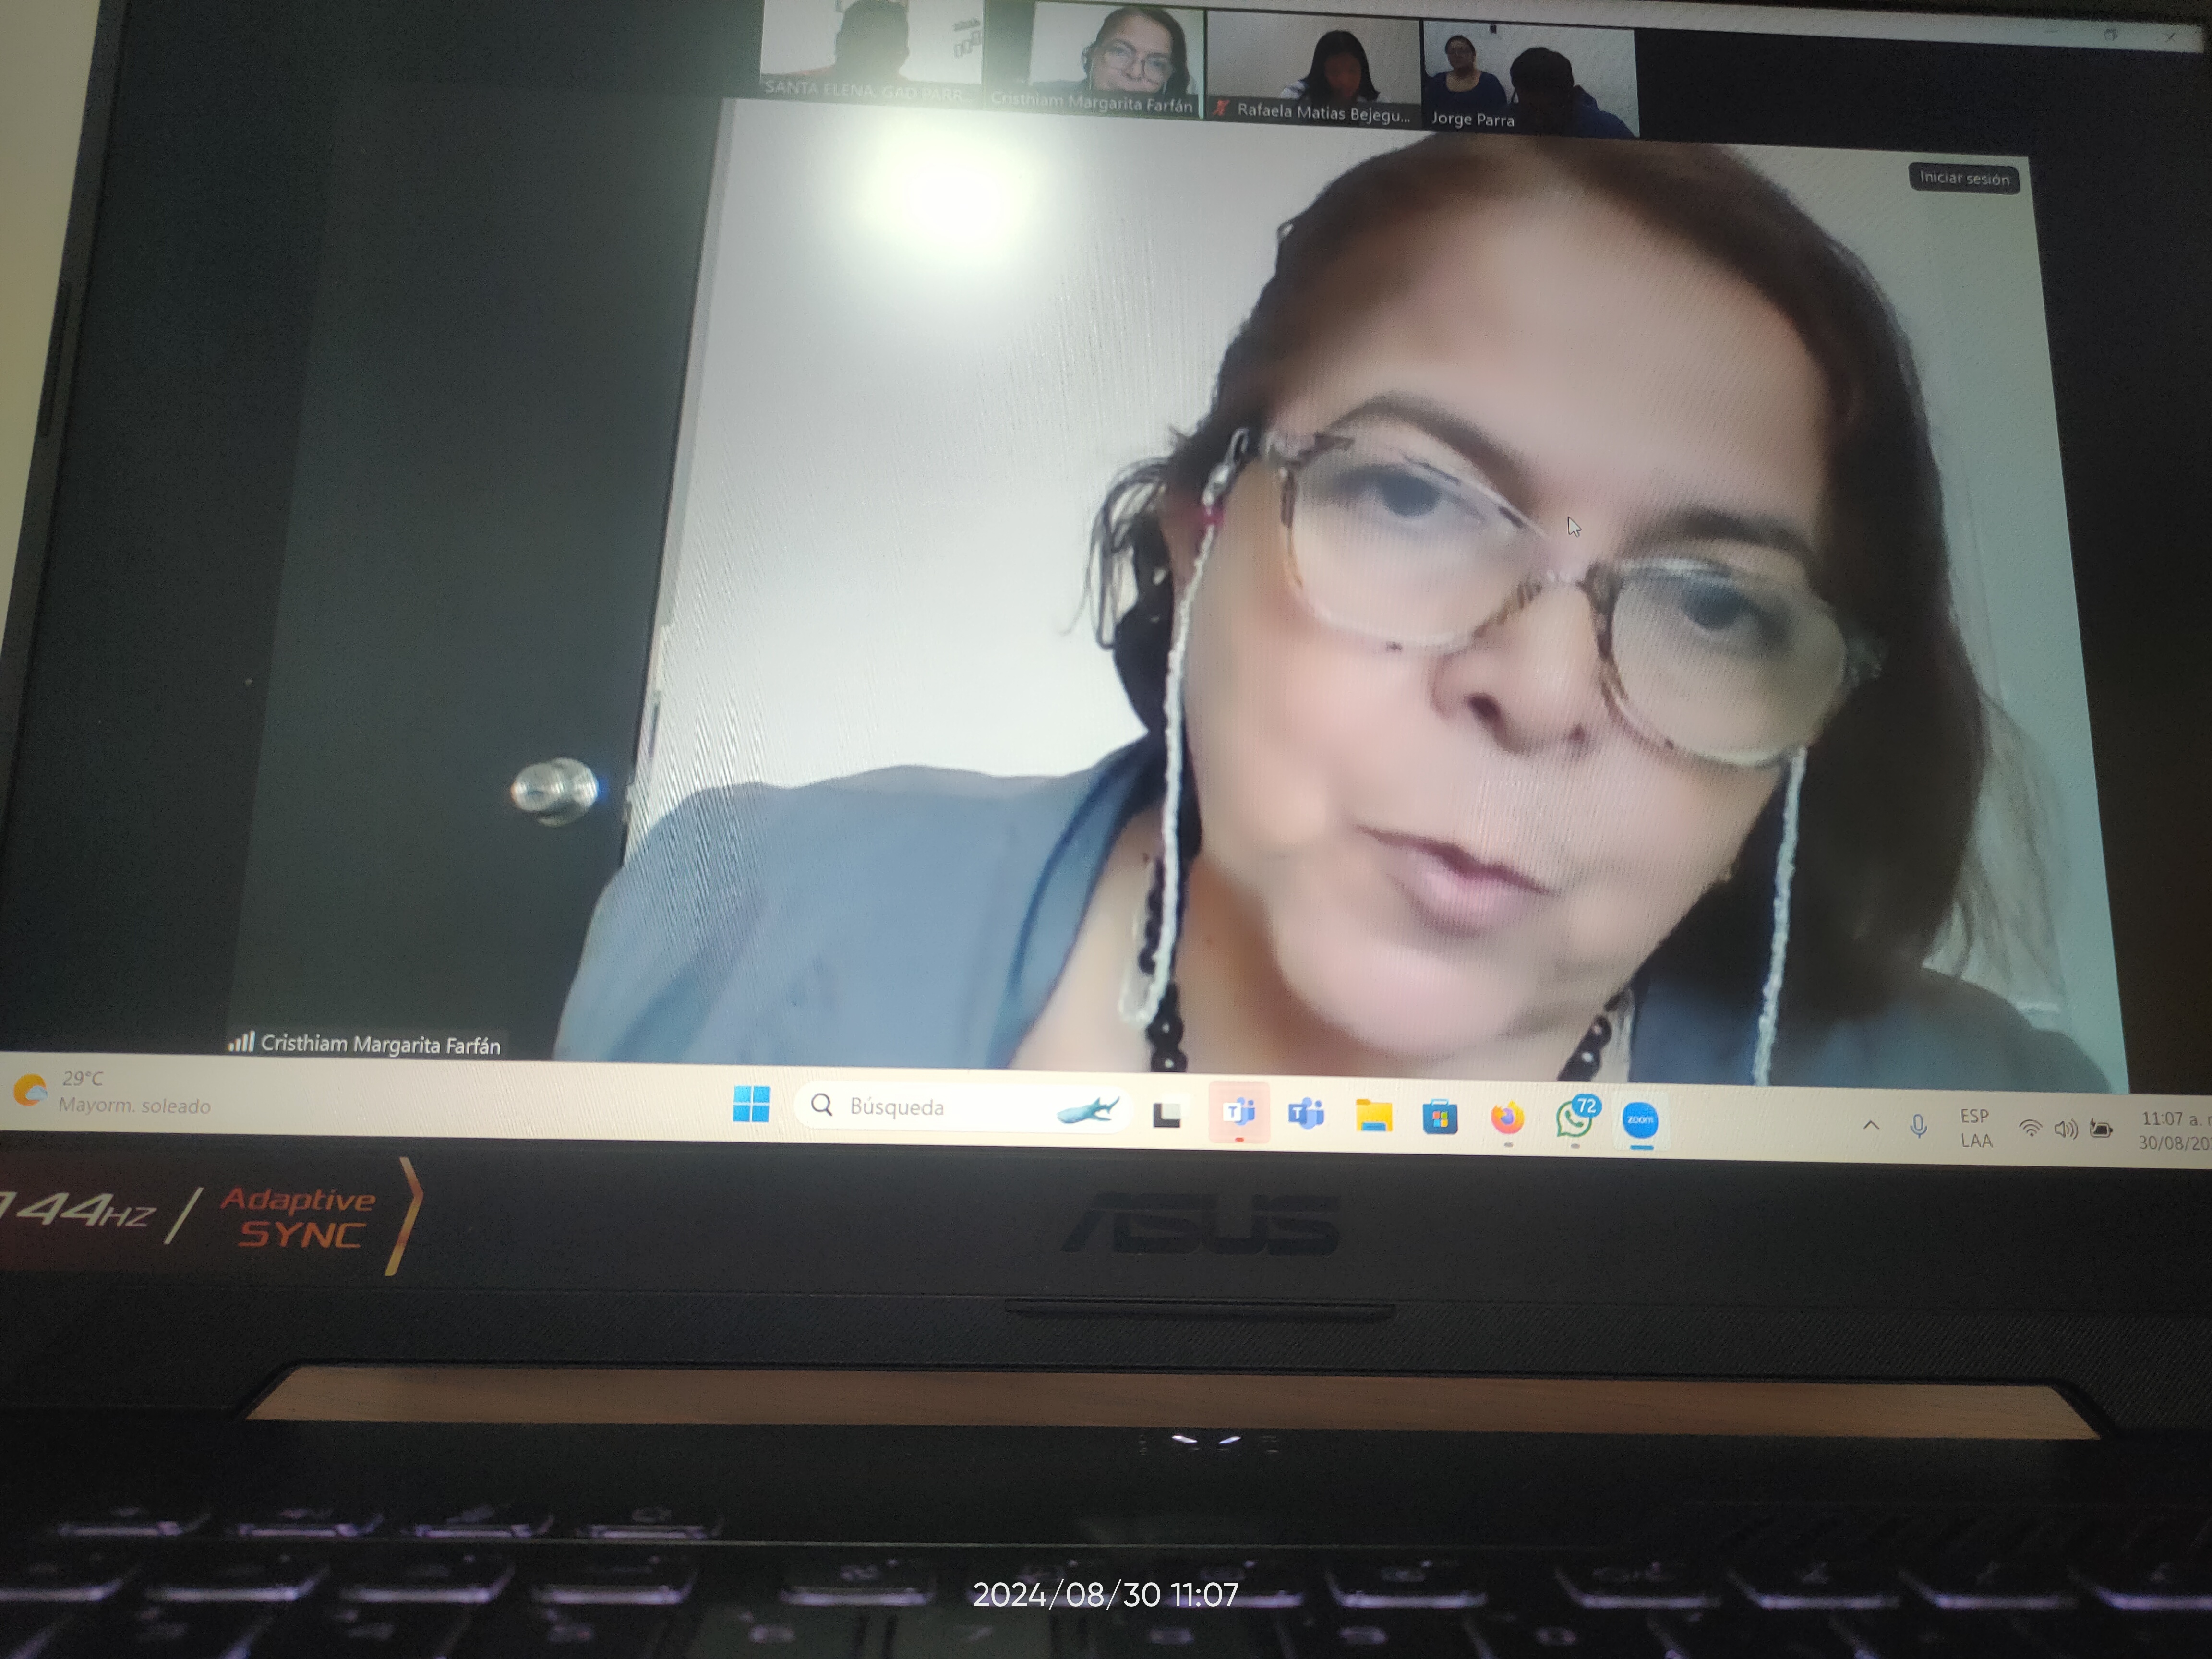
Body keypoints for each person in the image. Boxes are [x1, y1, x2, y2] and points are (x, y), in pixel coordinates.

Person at [557, 136, 2104, 1094]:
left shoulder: (1990, 1116)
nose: (1542, 689)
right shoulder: (740, 911)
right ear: (1197, 537)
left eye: (1715, 603)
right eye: (1417, 497)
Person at [1029, 5, 1191, 98]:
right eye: (1120, 52)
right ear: (1091, 55)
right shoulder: (1041, 97)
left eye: (1156, 64)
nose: (1135, 73)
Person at [1507, 46, 1631, 138]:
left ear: (1571, 96)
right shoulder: (1503, 121)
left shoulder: (1611, 132)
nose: (1538, 120)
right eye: (1528, 109)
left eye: (1548, 112)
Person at [798, 0, 910, 85]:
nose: (873, 53)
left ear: (904, 53)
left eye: (886, 44)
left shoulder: (916, 98)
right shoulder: (796, 85)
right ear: (840, 43)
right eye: (864, 39)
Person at [1282, 30, 1379, 107]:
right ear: (1321, 73)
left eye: (1352, 71)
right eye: (1335, 72)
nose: (1345, 81)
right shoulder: (1294, 98)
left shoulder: (1379, 105)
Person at [1424, 34, 1507, 123]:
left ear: (1473, 55)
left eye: (1462, 51)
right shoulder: (1438, 81)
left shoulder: (1490, 83)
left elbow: (1501, 117)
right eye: (1452, 52)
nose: (1457, 55)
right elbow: (1428, 114)